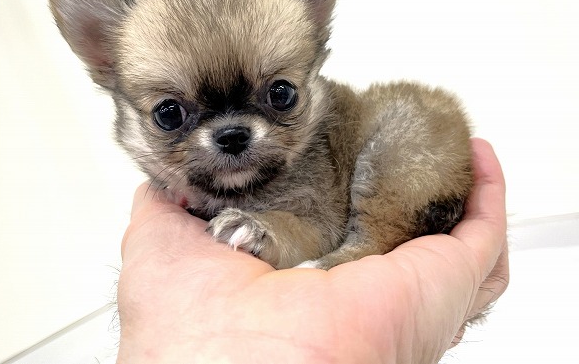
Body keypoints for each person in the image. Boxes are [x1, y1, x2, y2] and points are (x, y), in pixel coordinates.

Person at [116, 138, 508, 363]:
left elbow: (316, 224)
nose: (231, 134)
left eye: (279, 96)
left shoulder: (318, 156)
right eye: (171, 115)